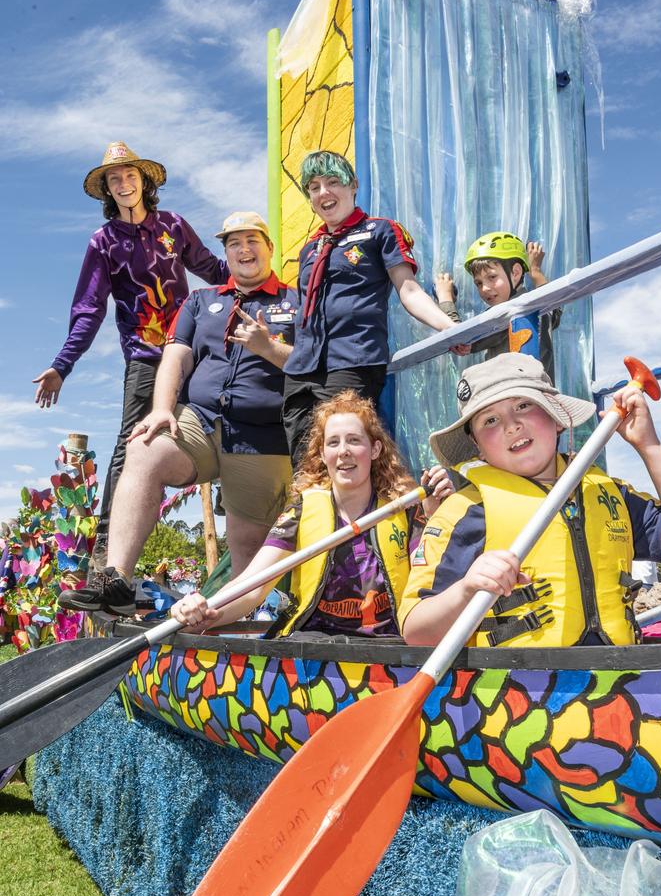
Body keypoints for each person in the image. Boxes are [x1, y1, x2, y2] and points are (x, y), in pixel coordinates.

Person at [59, 212, 296, 616]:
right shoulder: (202, 301)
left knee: (247, 568)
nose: (244, 249)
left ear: (269, 248)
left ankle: (237, 633)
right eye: (233, 243)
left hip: (261, 438)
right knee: (144, 448)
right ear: (225, 253)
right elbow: (175, 356)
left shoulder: (295, 301)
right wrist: (161, 409)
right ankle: (115, 578)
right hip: (198, 423)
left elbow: (310, 366)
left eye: (252, 240)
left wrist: (268, 348)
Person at [400, 353, 661, 648]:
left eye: (524, 405)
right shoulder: (464, 512)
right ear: (477, 446)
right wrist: (465, 590)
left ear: (556, 416)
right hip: (519, 697)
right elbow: (416, 631)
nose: (512, 425)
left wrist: (649, 446)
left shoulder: (610, 495)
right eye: (490, 420)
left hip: (617, 690)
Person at [33, 142, 228, 564]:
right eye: (115, 179)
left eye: (130, 175)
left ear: (145, 182)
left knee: (230, 414)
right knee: (131, 445)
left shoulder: (173, 226)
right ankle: (107, 555)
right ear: (107, 190)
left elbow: (213, 270)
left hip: (191, 350)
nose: (124, 183)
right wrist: (61, 365)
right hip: (145, 358)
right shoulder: (103, 242)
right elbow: (88, 309)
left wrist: (262, 277)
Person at [170, 390, 454, 637]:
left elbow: (437, 584)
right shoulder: (302, 510)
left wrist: (436, 520)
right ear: (323, 453)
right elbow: (252, 587)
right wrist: (206, 610)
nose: (344, 452)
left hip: (389, 648)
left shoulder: (407, 509)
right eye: (333, 443)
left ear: (375, 449)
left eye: (354, 440)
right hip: (314, 645)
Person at [281, 150, 468, 465]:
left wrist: (447, 327)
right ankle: (310, 514)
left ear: (353, 186)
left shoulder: (380, 231)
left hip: (351, 361)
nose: (323, 192)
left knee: (340, 455)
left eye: (332, 182)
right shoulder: (309, 248)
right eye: (313, 186)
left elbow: (408, 290)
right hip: (301, 369)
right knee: (304, 464)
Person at [434, 232, 561, 382]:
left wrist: (445, 297)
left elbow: (461, 341)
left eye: (492, 277)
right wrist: (535, 271)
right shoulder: (540, 306)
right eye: (479, 283)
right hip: (542, 396)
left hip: (510, 398)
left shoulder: (506, 313)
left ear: (516, 272)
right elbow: (555, 312)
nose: (485, 288)